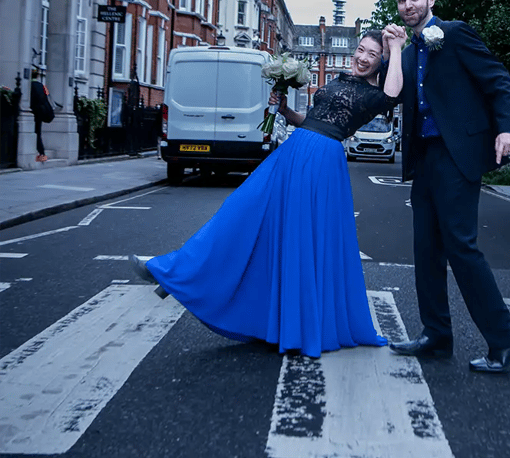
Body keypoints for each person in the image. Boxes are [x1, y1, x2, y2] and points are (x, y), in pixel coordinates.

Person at [130, 29, 407, 358]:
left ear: (381, 62)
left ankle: (174, 274)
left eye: (372, 55)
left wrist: (397, 46)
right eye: (361, 49)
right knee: (243, 212)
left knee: (297, 236)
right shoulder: (341, 78)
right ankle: (181, 274)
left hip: (320, 162)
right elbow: (315, 119)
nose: (362, 57)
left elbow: (392, 94)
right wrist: (288, 112)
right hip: (295, 150)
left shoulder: (375, 93)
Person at [382, 0, 510, 374]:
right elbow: (390, 94)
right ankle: (436, 335)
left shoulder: (455, 33)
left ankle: (507, 338)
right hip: (425, 157)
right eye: (401, 0)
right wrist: (392, 51)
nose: (408, 5)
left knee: (461, 247)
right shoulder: (409, 50)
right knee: (425, 249)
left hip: (457, 153)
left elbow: (499, 79)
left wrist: (508, 126)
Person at [30, 70, 54, 163]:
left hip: (33, 111)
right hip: (40, 112)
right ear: (38, 76)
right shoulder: (42, 86)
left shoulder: (30, 85)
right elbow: (47, 97)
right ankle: (42, 154)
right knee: (38, 133)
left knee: (35, 132)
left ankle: (41, 153)